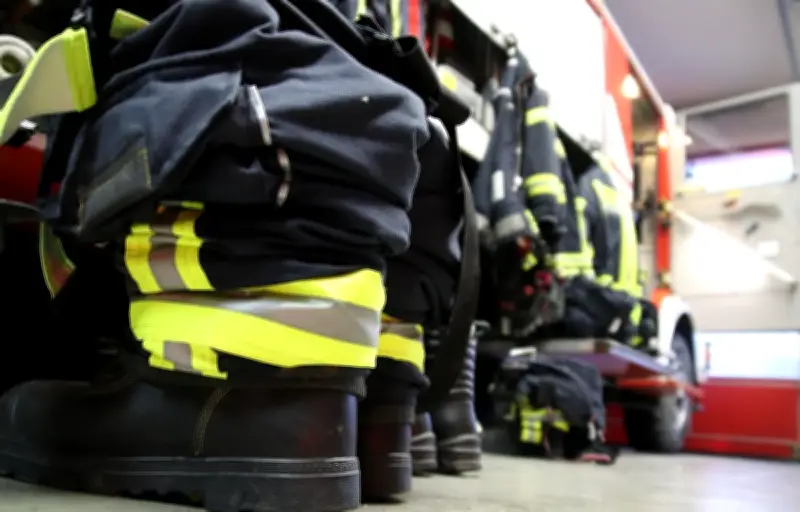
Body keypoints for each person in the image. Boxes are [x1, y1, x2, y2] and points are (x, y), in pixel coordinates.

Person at [0, 1, 476, 510]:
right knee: (331, 51)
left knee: (223, 41)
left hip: (214, 380)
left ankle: (211, 396)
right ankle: (366, 423)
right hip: (345, 385)